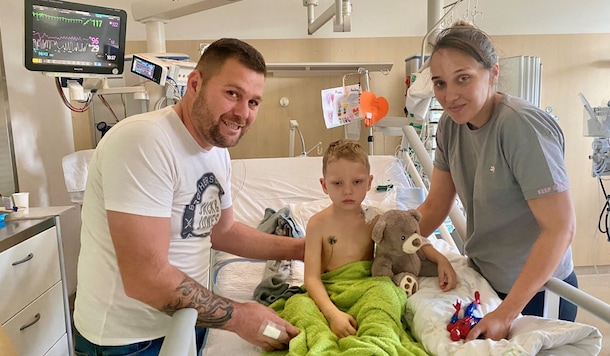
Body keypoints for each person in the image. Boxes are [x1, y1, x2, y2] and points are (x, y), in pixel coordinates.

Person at [73, 38, 304, 355]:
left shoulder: (216, 151)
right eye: (232, 94)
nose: (242, 113)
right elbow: (145, 278)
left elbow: (223, 232)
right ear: (195, 83)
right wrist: (238, 316)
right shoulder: (145, 141)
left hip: (187, 320)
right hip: (129, 341)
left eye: (253, 102)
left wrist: (303, 249)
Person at [416, 20, 578, 342]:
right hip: (488, 282)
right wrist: (385, 243)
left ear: (492, 73)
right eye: (440, 83)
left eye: (463, 79)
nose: (449, 96)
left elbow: (560, 228)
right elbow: (435, 206)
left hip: (537, 293)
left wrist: (506, 313)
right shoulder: (450, 126)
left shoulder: (521, 127)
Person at [304, 139, 457, 339]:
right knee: (302, 311)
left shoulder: (376, 220)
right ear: (324, 185)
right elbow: (311, 278)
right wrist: (332, 314)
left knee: (386, 297)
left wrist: (440, 259)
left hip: (370, 287)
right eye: (337, 183)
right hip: (331, 290)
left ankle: (377, 341)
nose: (348, 190)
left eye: (357, 182)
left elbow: (410, 240)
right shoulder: (317, 225)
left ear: (369, 182)